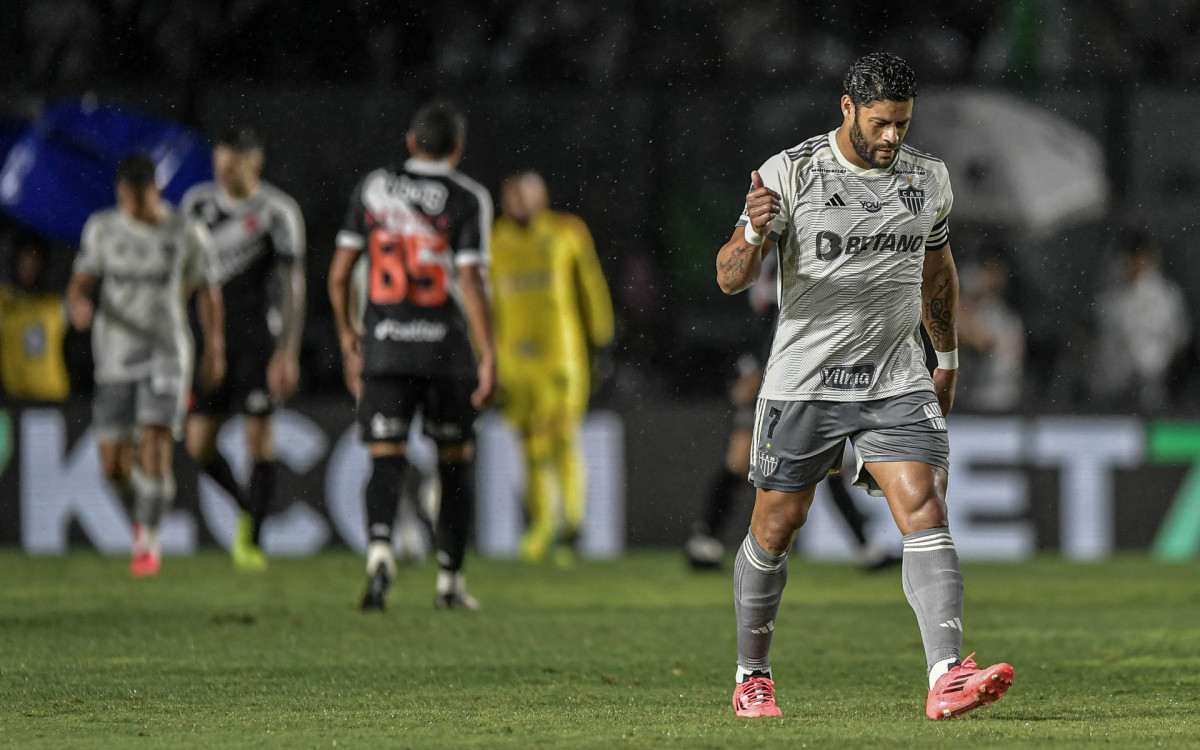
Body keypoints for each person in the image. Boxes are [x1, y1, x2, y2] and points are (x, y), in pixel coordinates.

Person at [714, 52, 1013, 720]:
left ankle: (946, 675)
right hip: (803, 382)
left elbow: (938, 272)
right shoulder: (788, 174)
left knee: (925, 505)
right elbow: (730, 276)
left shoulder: (928, 179)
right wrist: (757, 228)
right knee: (777, 525)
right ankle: (751, 674)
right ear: (847, 108)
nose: (891, 138)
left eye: (902, 124)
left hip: (895, 378)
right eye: (880, 123)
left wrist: (948, 358)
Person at [328, 99, 495, 611]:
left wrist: (348, 334)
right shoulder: (468, 197)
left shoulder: (373, 187)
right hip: (444, 351)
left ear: (409, 141)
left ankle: (380, 549)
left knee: (385, 458)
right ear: (458, 149)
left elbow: (338, 274)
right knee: (454, 464)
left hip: (385, 347)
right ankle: (450, 581)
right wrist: (487, 353)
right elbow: (468, 278)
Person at [686, 249, 899, 571]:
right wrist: (751, 366)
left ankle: (866, 548)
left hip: (801, 363)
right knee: (745, 457)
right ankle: (705, 539)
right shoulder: (778, 251)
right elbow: (765, 313)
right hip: (777, 362)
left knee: (827, 459)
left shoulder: (805, 247)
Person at [66, 153, 225, 577]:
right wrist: (79, 304)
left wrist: (215, 347)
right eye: (124, 197)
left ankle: (149, 541)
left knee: (155, 443)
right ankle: (146, 504)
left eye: (137, 197)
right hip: (115, 357)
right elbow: (80, 281)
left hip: (166, 354)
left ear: (155, 190)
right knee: (113, 466)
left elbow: (208, 290)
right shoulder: (103, 229)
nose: (130, 206)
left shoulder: (185, 232)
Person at [180, 126, 307, 571]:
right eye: (219, 164)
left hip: (258, 339)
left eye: (232, 164)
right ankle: (246, 508)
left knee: (258, 437)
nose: (223, 173)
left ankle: (251, 540)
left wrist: (287, 350)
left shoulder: (277, 211)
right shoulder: (197, 204)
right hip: (208, 339)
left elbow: (293, 285)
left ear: (254, 163)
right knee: (199, 443)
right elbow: (186, 276)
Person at [489, 171, 614, 563]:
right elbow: (485, 302)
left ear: (541, 195)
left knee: (561, 435)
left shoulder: (566, 232)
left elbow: (589, 285)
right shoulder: (495, 240)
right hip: (514, 359)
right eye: (511, 196)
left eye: (524, 195)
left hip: (561, 355)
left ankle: (572, 522)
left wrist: (602, 336)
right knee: (530, 444)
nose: (518, 203)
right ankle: (543, 521)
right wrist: (486, 356)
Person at [1089, 231, 1190, 412]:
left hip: (1158, 383)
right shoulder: (1109, 300)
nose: (1137, 264)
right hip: (1113, 387)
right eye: (1132, 258)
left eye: (1141, 258)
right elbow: (1102, 347)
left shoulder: (1167, 297)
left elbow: (1179, 337)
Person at [0, 232, 70, 402]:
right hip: (14, 400)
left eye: (35, 262)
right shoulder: (4, 301)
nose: (29, 267)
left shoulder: (55, 305)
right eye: (24, 261)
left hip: (53, 398)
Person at [957, 252, 1025, 411]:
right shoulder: (978, 308)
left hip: (996, 400)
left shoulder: (1001, 315)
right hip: (974, 397)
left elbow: (981, 342)